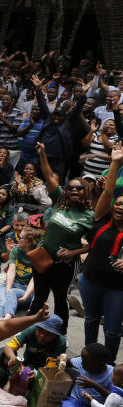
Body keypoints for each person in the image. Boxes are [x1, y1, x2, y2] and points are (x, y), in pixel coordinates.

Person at [30, 142, 93, 333]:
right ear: (65, 191)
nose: (74, 190)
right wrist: (42, 154)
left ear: (85, 192)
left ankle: (60, 335)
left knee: (60, 300)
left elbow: (93, 244)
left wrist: (74, 252)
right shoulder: (59, 201)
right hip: (43, 257)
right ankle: (29, 331)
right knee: (39, 298)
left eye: (79, 188)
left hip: (64, 266)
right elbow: (49, 175)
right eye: (71, 187)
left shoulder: (90, 216)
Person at [78, 143, 123, 359]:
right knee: (91, 321)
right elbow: (109, 190)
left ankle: (108, 366)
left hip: (118, 288)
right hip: (91, 281)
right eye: (119, 203)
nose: (121, 207)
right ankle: (89, 357)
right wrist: (115, 162)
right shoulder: (101, 218)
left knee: (113, 330)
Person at [58, 342, 115, 407]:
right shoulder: (82, 362)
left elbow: (115, 398)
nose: (83, 365)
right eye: (82, 360)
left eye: (87, 363)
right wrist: (62, 360)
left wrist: (95, 385)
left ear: (101, 363)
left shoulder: (112, 374)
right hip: (80, 403)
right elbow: (68, 361)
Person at [0, 227, 41, 319]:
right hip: (9, 285)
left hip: (26, 290)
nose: (17, 239)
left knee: (12, 293)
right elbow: (11, 271)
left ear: (29, 241)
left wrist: (25, 296)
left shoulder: (38, 255)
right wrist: (7, 291)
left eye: (20, 237)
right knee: (2, 302)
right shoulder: (16, 250)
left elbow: (34, 279)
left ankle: (7, 317)